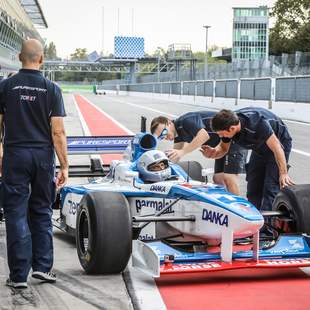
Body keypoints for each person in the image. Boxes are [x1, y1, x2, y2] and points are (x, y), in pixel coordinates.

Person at [0, 39, 68, 289]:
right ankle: (42, 267)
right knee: (41, 211)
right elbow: (58, 132)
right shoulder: (52, 89)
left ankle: (18, 276)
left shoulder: (5, 86)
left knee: (16, 212)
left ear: (19, 57)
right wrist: (65, 166)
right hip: (42, 157)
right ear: (42, 59)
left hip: (15, 154)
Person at [201, 107, 294, 212]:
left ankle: (267, 226)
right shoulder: (227, 125)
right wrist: (212, 153)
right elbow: (223, 149)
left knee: (270, 188)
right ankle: (253, 219)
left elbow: (277, 147)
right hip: (259, 149)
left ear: (232, 129)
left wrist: (283, 173)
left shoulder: (257, 123)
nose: (221, 136)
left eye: (221, 134)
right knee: (253, 187)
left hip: (279, 146)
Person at [150, 112, 247, 195]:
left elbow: (204, 135)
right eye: (161, 137)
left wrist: (183, 151)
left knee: (229, 177)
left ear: (169, 123)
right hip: (221, 145)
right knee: (218, 178)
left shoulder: (186, 121)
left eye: (164, 133)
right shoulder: (178, 135)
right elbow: (174, 158)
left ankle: (239, 210)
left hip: (232, 137)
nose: (165, 137)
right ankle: (226, 205)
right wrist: (159, 169)